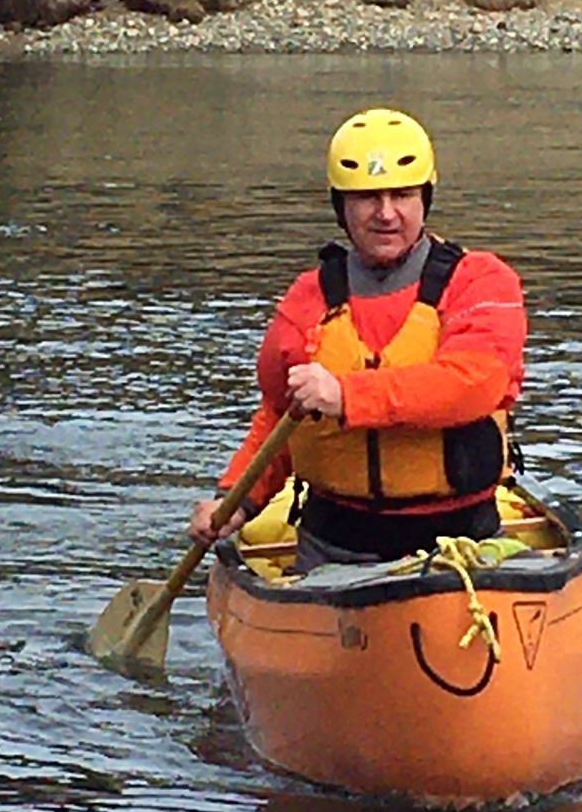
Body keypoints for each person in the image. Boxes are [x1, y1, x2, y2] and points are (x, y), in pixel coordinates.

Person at [188, 107, 526, 572]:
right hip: (335, 548)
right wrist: (234, 501)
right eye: (368, 198)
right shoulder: (306, 301)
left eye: (402, 195)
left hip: (461, 543)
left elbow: (474, 384)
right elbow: (278, 417)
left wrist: (345, 395)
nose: (386, 214)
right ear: (341, 207)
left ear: (424, 199)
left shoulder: (481, 281)